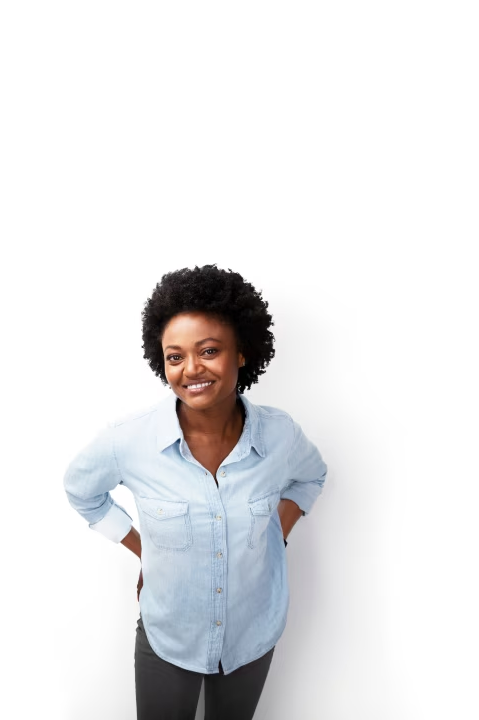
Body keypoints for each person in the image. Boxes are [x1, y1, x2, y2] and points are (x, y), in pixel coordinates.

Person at [64, 265, 327, 720]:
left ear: (241, 353)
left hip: (252, 633)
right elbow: (81, 490)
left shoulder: (280, 436)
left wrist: (277, 532)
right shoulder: (129, 441)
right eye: (175, 356)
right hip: (168, 636)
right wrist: (141, 548)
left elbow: (311, 478)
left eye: (209, 351)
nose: (192, 369)